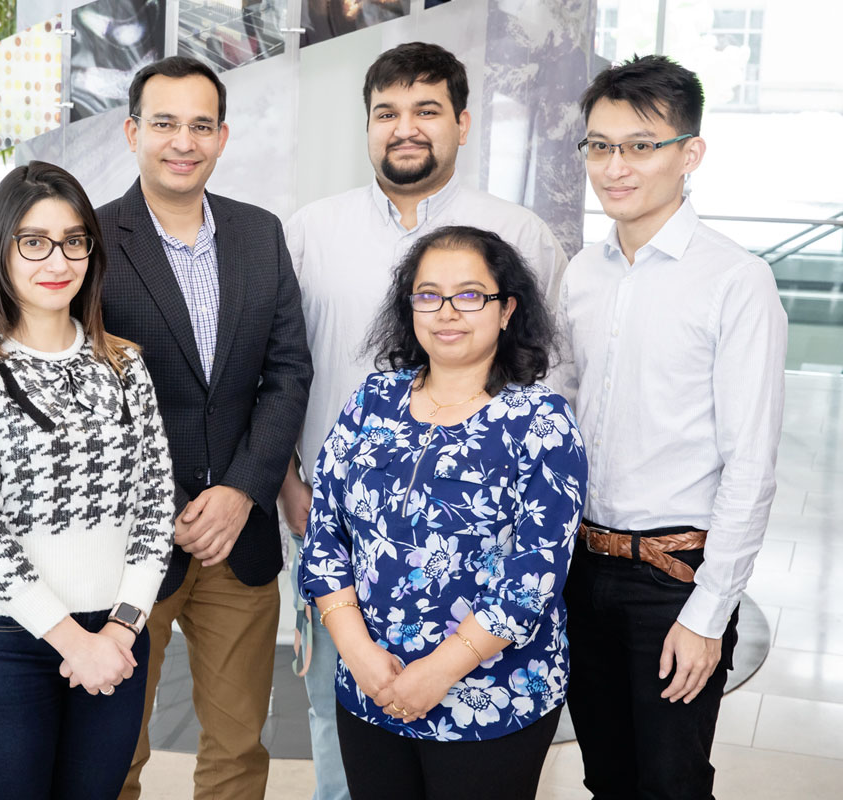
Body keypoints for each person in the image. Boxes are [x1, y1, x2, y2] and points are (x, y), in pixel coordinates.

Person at [279, 41, 568, 799]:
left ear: (463, 124)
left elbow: (556, 383)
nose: (405, 128)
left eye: (427, 111)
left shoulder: (521, 234)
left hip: (487, 645)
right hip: (341, 554)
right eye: (387, 113)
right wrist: (288, 486)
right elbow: (278, 371)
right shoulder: (312, 231)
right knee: (336, 754)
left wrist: (446, 665)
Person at [555, 55, 787, 800]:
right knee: (606, 778)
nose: (615, 166)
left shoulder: (734, 279)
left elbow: (751, 463)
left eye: (640, 145)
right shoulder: (581, 274)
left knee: (671, 784)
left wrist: (709, 613)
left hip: (673, 579)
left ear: (690, 153)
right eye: (599, 145)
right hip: (580, 568)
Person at [299, 225, 587, 800]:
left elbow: (531, 581)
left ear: (506, 310)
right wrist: (358, 654)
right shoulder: (371, 400)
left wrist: (436, 673)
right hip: (369, 687)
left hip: (494, 697)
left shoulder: (541, 422)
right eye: (428, 295)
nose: (447, 312)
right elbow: (324, 532)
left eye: (470, 295)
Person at [97, 56, 312, 800]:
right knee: (113, 753)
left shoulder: (259, 234)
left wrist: (242, 492)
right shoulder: (90, 243)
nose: (181, 142)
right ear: (133, 132)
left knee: (237, 750)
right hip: (124, 546)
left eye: (199, 125)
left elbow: (288, 374)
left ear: (222, 137)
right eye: (164, 123)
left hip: (238, 538)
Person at [0, 160, 174, 799]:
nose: (56, 260)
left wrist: (119, 629)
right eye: (33, 242)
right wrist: (73, 641)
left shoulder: (123, 365)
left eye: (73, 240)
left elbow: (153, 507)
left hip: (115, 636)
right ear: (0, 252)